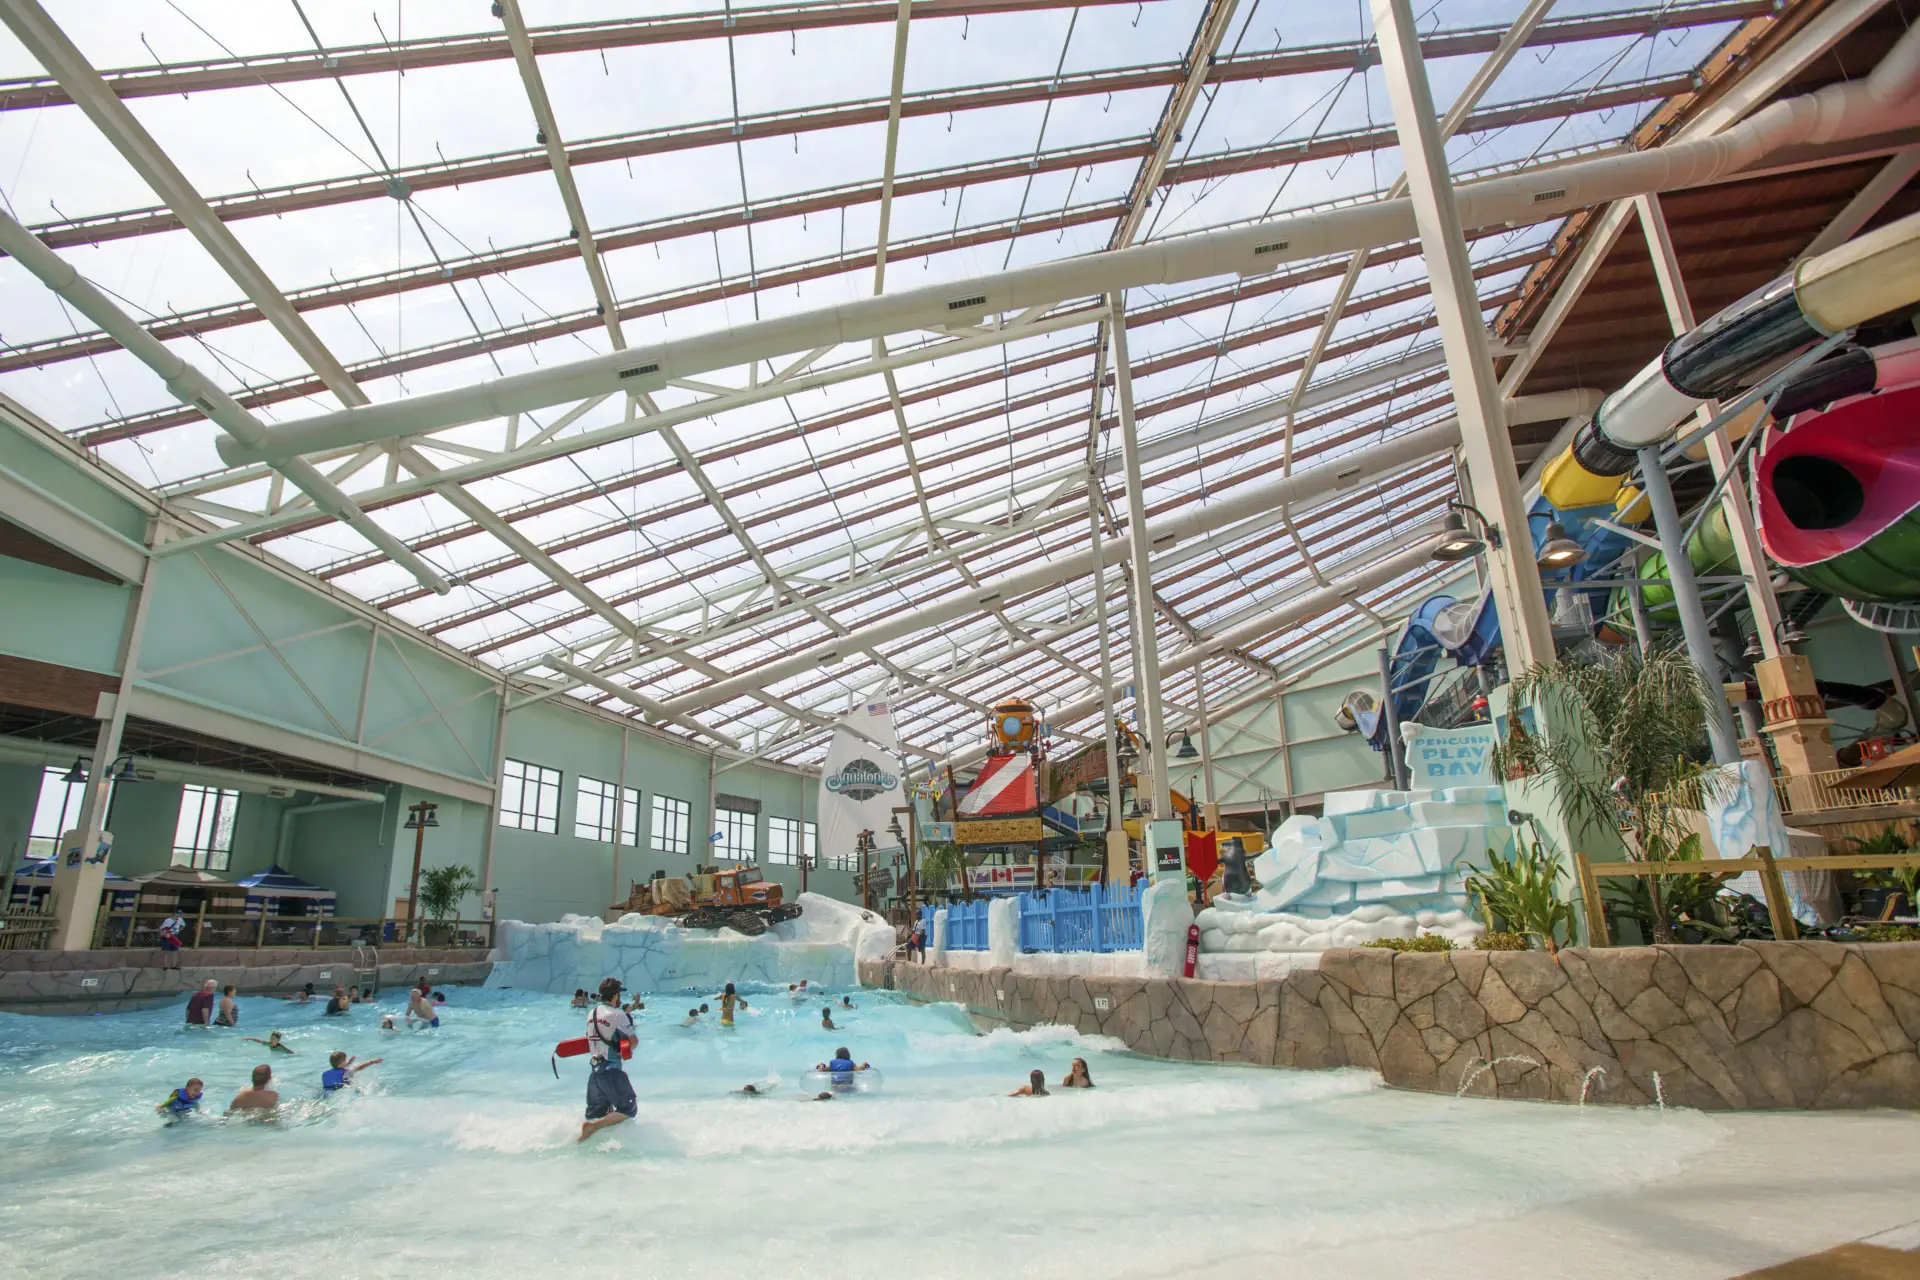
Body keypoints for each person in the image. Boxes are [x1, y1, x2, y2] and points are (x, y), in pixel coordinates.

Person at [579, 977, 637, 1143]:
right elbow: (633, 1042)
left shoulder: (592, 1013)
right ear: (616, 995)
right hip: (612, 1071)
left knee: (595, 1114)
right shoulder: (618, 1015)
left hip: (595, 1073)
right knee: (628, 1109)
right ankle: (594, 1128)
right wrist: (626, 1047)